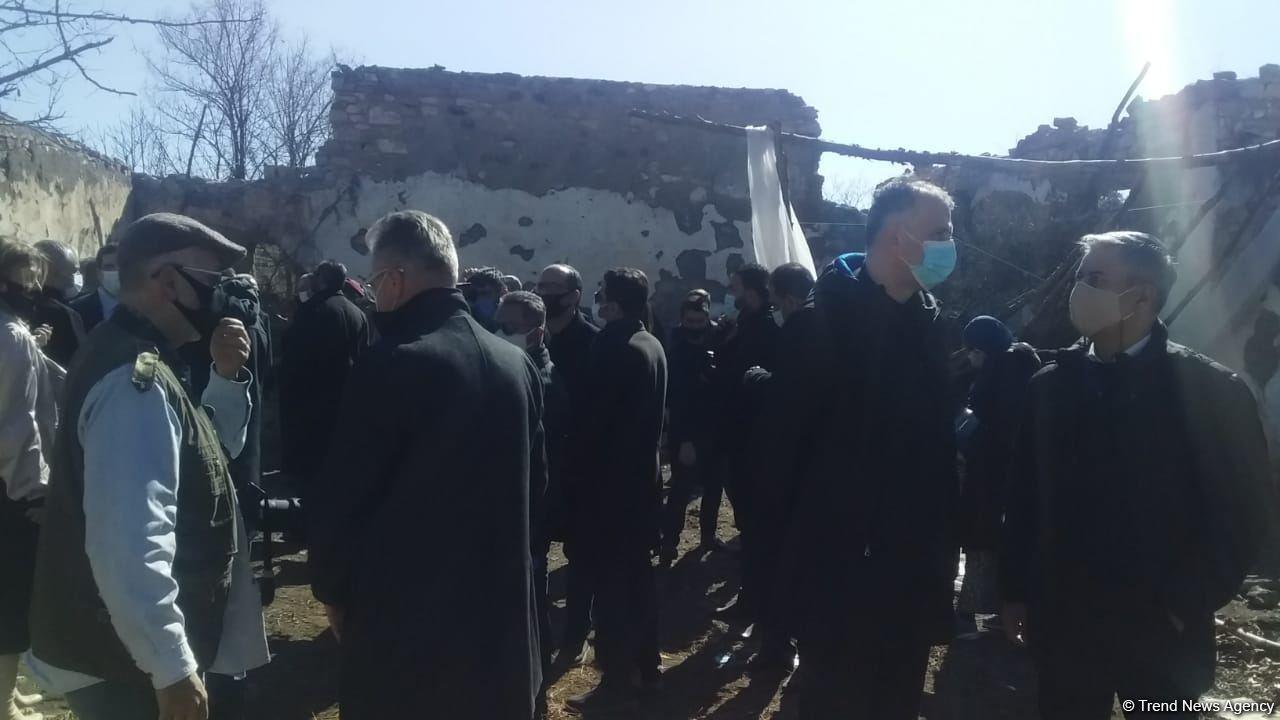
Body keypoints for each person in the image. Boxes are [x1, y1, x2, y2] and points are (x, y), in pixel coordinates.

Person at [1001, 231, 1273, 720]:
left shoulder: (1210, 392)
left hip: (1162, 636)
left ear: (1142, 296)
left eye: (1095, 279)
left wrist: (1184, 604)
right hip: (1065, 624)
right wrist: (1016, 590)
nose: (1079, 291)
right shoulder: (1050, 387)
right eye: (1081, 278)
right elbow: (1024, 497)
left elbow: (1242, 513)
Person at [27, 213, 269, 720]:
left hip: (127, 656)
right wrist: (172, 667)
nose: (221, 295)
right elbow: (130, 538)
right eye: (212, 280)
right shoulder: (134, 381)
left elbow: (205, 451)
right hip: (125, 667)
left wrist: (226, 378)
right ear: (167, 281)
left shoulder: (141, 353)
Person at [309, 211, 543, 720]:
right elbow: (538, 487)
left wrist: (332, 590)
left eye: (374, 282)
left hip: (410, 637)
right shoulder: (515, 363)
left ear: (395, 279)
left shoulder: (391, 363)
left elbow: (346, 497)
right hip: (501, 627)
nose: (374, 296)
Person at [778, 179, 960, 719]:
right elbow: (782, 459)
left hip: (911, 574)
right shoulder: (820, 325)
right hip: (836, 576)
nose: (950, 246)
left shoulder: (933, 325)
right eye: (940, 233)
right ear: (898, 236)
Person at [566, 269, 667, 713]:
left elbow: (593, 424)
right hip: (641, 483)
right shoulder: (650, 342)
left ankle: (615, 682)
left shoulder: (614, 346)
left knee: (611, 590)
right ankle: (647, 668)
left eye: (602, 294)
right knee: (637, 582)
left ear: (612, 303)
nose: (596, 299)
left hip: (608, 488)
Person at [739, 262, 816, 672]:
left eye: (775, 297)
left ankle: (777, 647)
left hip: (787, 464)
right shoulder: (829, 328)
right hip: (812, 463)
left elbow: (789, 394)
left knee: (778, 556)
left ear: (787, 297)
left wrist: (758, 379)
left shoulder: (799, 331)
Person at [0, 240, 63, 720]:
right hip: (11, 485)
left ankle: (8, 689)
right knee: (10, 597)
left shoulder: (15, 334)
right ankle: (3, 702)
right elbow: (19, 425)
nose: (34, 288)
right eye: (25, 279)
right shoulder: (13, 335)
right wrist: (32, 489)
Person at [496, 290, 568, 707]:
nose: (499, 332)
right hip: (518, 509)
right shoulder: (518, 368)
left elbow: (540, 462)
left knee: (532, 599)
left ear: (536, 332)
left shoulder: (544, 381)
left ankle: (535, 692)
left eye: (509, 325)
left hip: (530, 512)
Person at [953, 315, 1040, 636]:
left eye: (973, 350)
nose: (970, 357)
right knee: (1003, 543)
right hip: (1013, 473)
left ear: (983, 349)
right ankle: (1004, 611)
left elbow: (991, 426)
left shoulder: (998, 374)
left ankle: (970, 616)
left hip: (992, 475)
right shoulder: (1023, 362)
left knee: (981, 542)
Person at [534, 263, 599, 662]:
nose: (543, 294)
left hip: (579, 468)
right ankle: (537, 634)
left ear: (574, 296)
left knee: (580, 556)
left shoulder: (594, 344)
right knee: (536, 553)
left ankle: (576, 635)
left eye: (551, 288)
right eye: (539, 286)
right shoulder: (533, 340)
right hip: (540, 466)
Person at [713, 262, 780, 624]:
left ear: (751, 290)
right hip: (735, 431)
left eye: (736, 286)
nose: (731, 292)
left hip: (752, 437)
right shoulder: (745, 323)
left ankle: (756, 602)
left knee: (757, 525)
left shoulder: (767, 328)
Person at [280, 261, 370, 504]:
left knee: (310, 470)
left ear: (320, 280)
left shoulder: (312, 310)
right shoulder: (358, 314)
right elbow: (364, 358)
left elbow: (294, 356)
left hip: (312, 401)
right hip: (345, 400)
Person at [661, 293, 725, 563]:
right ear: (682, 320)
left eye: (701, 321)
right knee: (681, 489)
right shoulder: (676, 348)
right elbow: (677, 398)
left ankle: (708, 535)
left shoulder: (717, 338)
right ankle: (669, 541)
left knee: (714, 487)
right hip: (687, 430)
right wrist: (685, 440)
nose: (696, 326)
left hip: (716, 427)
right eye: (691, 321)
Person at [31, 240, 86, 367]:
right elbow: (80, 362)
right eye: (74, 271)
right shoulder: (63, 314)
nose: (76, 276)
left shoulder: (15, 306)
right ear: (53, 272)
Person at [70, 244, 119, 332]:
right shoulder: (76, 310)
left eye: (123, 265)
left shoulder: (143, 309)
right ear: (99, 272)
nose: (117, 272)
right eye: (109, 267)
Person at [462, 266, 508, 332]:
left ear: (498, 295)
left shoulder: (504, 328)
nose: (478, 298)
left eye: (484, 293)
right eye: (473, 293)